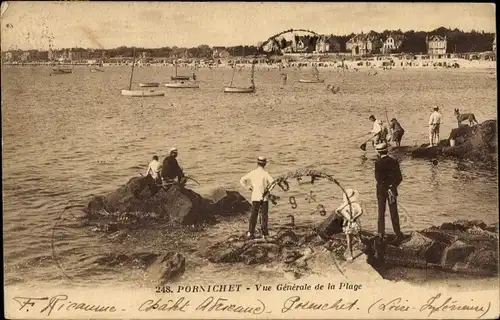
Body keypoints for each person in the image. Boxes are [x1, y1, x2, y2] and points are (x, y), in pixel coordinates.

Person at [240, 156, 275, 240]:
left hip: (255, 197)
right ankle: (264, 233)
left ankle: (250, 232)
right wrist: (268, 190)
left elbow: (242, 180)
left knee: (253, 215)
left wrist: (249, 187)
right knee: (264, 216)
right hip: (264, 198)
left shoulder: (253, 173)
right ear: (265, 164)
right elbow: (273, 183)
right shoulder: (266, 174)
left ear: (257, 163)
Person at [375, 143, 403, 244]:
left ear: (378, 152)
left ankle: (380, 233)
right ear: (387, 150)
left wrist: (385, 186)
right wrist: (392, 186)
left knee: (381, 212)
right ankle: (398, 233)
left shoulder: (378, 163)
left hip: (381, 190)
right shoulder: (394, 161)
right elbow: (399, 178)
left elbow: (378, 179)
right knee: (394, 212)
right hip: (392, 190)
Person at [334, 188, 363, 262]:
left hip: (352, 222)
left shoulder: (355, 204)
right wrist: (346, 215)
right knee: (349, 239)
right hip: (348, 223)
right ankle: (351, 254)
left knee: (354, 237)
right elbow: (337, 211)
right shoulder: (346, 204)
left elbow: (360, 211)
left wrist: (354, 217)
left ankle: (358, 246)